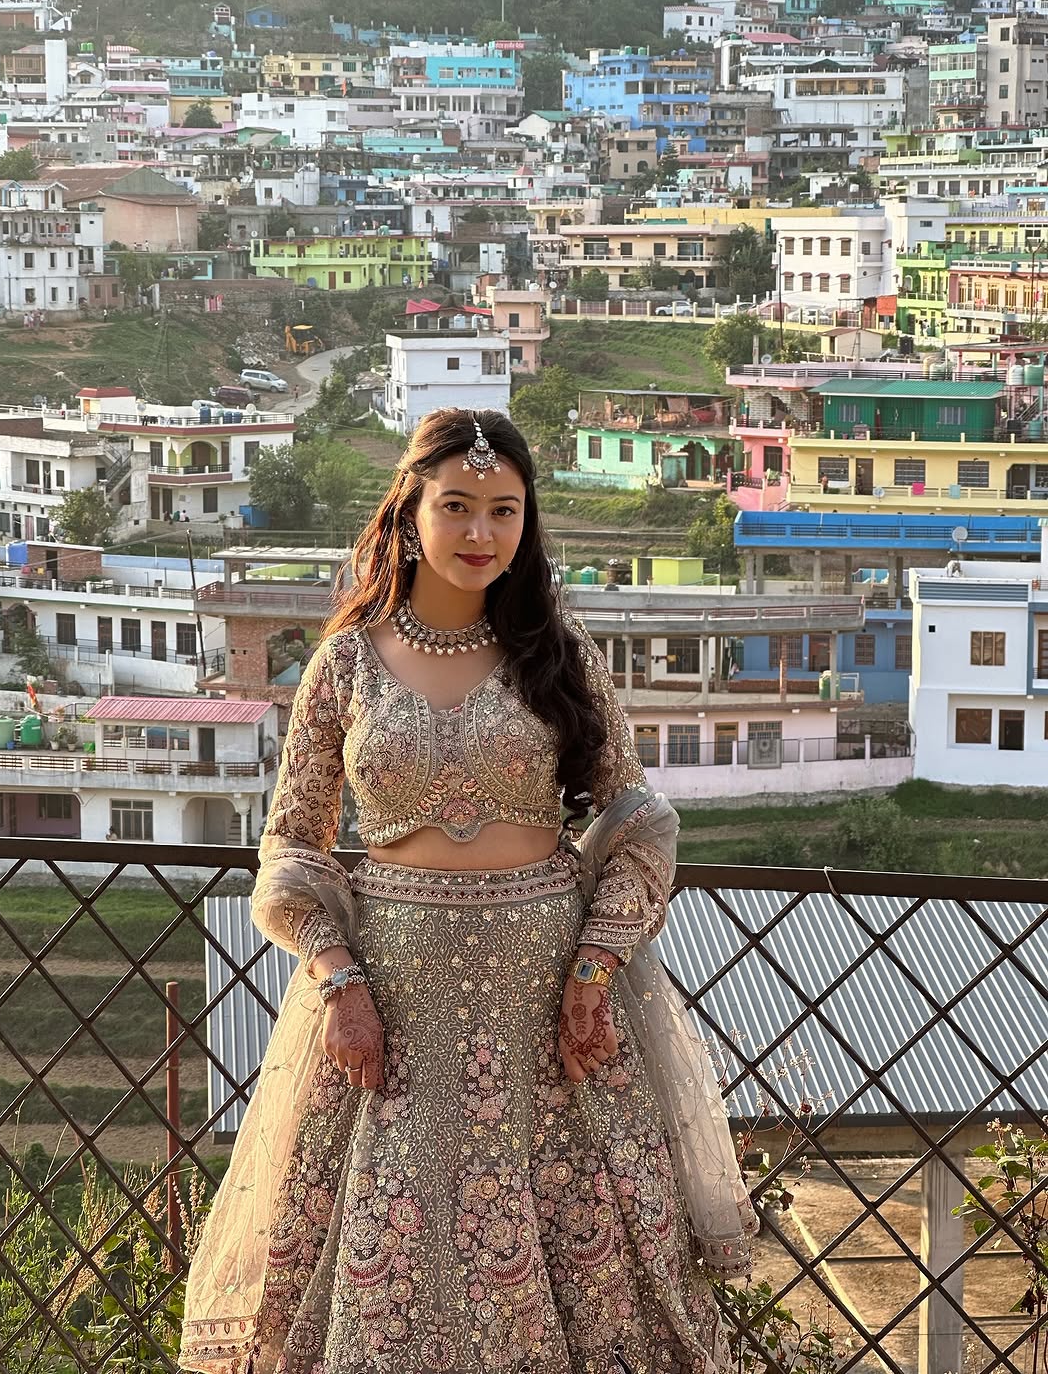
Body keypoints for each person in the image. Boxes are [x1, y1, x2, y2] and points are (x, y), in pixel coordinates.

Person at [180, 409, 756, 1374]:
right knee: (390, 1263)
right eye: (456, 506)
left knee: (585, 1275)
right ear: (409, 514)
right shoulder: (345, 664)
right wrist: (338, 981)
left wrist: (595, 966)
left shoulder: (558, 654)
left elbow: (640, 822)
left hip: (547, 1011)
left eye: (504, 509)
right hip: (394, 1015)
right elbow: (290, 845)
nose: (481, 531)